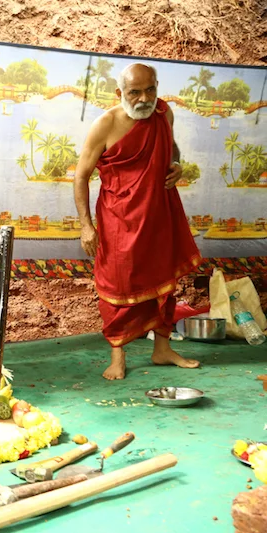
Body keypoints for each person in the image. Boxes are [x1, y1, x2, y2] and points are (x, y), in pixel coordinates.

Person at [73, 62, 202, 380]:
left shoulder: (163, 113)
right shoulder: (106, 124)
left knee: (164, 282)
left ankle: (162, 349)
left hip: (160, 213)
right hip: (119, 219)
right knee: (118, 285)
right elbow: (80, 176)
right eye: (135, 92)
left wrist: (176, 165)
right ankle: (118, 356)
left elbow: (171, 147)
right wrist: (86, 226)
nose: (144, 98)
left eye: (150, 89)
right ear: (119, 92)